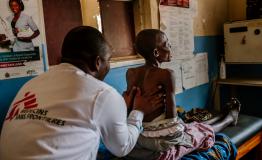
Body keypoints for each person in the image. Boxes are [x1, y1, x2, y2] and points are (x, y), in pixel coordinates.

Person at [0, 26, 165, 160]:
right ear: (97, 63)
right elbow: (122, 147)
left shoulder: (30, 85)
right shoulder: (103, 93)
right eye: (109, 60)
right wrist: (139, 111)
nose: (109, 66)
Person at [124, 29, 240, 160]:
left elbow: (132, 106)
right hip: (163, 138)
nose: (170, 46)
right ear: (156, 52)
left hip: (141, 134)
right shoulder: (166, 74)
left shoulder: (131, 73)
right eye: (167, 44)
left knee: (192, 125)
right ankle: (229, 118)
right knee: (202, 132)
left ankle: (222, 115)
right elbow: (171, 117)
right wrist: (178, 131)